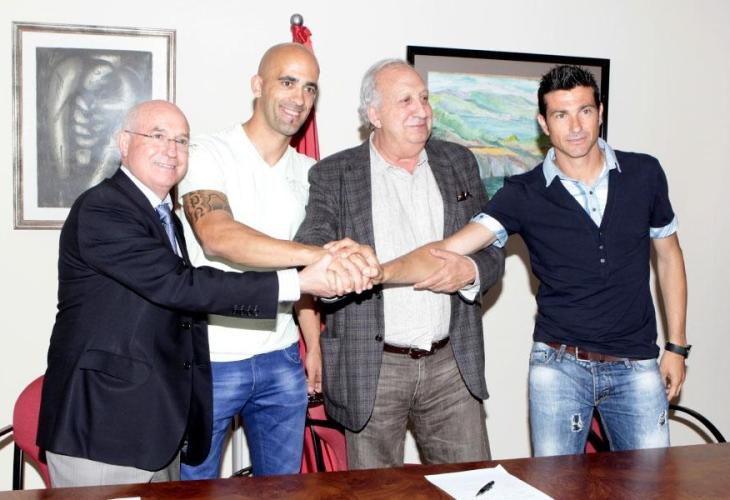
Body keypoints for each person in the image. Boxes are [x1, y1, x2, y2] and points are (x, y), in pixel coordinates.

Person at [384, 65, 689, 456]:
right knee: (554, 484)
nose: (575, 126)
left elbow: (669, 257)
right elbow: (448, 249)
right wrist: (381, 271)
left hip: (637, 362)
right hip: (558, 367)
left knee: (650, 483)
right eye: (561, 115)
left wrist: (676, 347)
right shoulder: (523, 193)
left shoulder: (644, 173)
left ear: (600, 112)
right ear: (544, 123)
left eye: (584, 111)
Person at [37, 100, 343, 488]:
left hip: (155, 429)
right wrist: (296, 283)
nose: (171, 149)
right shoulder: (104, 209)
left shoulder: (164, 217)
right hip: (103, 430)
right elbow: (182, 286)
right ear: (123, 142)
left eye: (181, 140)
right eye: (157, 136)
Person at [177, 43, 377, 478]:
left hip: (282, 358)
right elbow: (218, 237)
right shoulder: (207, 153)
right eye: (287, 82)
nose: (299, 98)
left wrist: (313, 343)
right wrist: (317, 254)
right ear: (257, 85)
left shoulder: (310, 172)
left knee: (284, 489)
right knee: (194, 489)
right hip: (211, 359)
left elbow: (308, 277)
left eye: (309, 88)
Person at [294, 59, 505, 469]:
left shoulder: (459, 163)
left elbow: (492, 246)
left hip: (452, 364)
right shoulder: (335, 174)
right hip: (372, 367)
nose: (421, 110)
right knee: (374, 492)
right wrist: (339, 260)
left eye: (424, 98)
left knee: (473, 487)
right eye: (405, 100)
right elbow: (311, 245)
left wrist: (472, 272)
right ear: (374, 114)